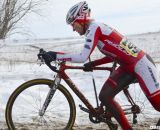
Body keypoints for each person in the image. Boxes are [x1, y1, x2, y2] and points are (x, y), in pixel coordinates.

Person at [42, 1, 160, 130]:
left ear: (81, 19)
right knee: (105, 96)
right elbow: (114, 54)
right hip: (127, 66)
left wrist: (55, 55)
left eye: (73, 24)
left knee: (158, 105)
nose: (73, 28)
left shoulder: (94, 28)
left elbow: (82, 56)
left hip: (141, 65)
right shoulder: (94, 29)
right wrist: (94, 63)